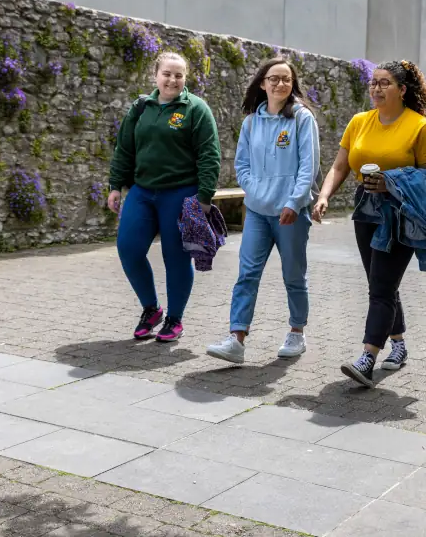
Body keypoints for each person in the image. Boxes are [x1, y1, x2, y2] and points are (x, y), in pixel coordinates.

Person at [312, 60, 426, 388]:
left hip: (402, 215)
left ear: (402, 90)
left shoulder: (420, 127)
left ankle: (368, 357)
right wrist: (324, 196)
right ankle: (398, 345)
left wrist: (392, 184)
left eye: (385, 83)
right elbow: (340, 166)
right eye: (374, 82)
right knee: (380, 282)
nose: (376, 88)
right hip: (366, 209)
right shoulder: (359, 122)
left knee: (382, 286)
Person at [206, 58, 320, 364]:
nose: (280, 84)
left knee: (293, 274)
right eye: (274, 78)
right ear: (262, 83)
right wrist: (255, 191)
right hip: (257, 211)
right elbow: (241, 165)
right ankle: (236, 339)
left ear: (292, 84)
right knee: (247, 273)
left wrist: (294, 202)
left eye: (286, 79)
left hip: (290, 213)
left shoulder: (301, 119)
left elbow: (308, 166)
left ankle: (297, 332)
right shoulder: (250, 123)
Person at [108, 51, 222, 343]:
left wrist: (205, 196)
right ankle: (151, 309)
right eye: (167, 73)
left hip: (181, 193)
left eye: (179, 75)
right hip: (143, 192)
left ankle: (175, 319)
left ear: (185, 78)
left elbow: (209, 155)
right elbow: (124, 148)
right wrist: (115, 185)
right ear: (155, 75)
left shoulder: (196, 109)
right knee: (129, 248)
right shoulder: (141, 107)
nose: (172, 79)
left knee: (176, 258)